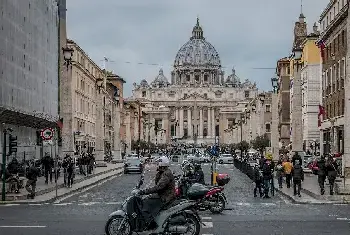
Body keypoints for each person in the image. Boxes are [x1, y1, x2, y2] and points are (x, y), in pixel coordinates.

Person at [138, 156, 176, 223]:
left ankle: (150, 222)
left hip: (165, 197)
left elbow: (158, 187)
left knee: (146, 202)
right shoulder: (163, 172)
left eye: (158, 164)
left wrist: (144, 191)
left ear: (162, 164)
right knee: (148, 198)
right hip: (164, 194)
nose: (157, 165)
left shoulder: (166, 174)